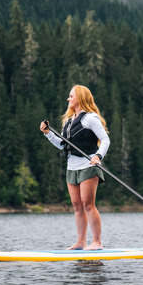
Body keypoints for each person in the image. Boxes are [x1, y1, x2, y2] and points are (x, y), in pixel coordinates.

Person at [40, 85, 110, 250]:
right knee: (77, 205)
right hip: (72, 167)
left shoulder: (91, 118)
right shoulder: (69, 121)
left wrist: (98, 156)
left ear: (80, 98)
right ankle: (81, 242)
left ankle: (97, 242)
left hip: (88, 166)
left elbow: (105, 139)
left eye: (71, 96)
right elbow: (62, 145)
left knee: (88, 204)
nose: (68, 99)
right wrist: (48, 133)